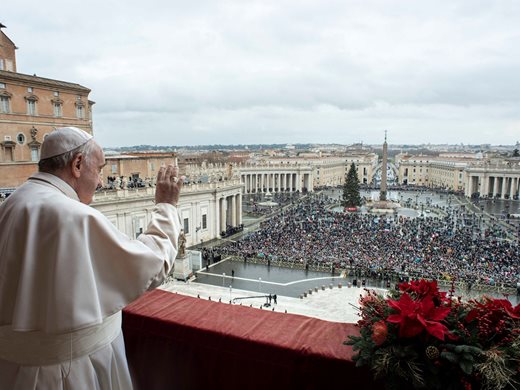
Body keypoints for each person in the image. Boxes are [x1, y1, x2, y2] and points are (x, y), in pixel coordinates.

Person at [0, 127, 184, 390]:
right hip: (72, 373)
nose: (99, 182)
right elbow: (152, 265)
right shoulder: (75, 216)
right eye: (98, 169)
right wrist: (166, 205)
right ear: (77, 164)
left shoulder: (10, 204)